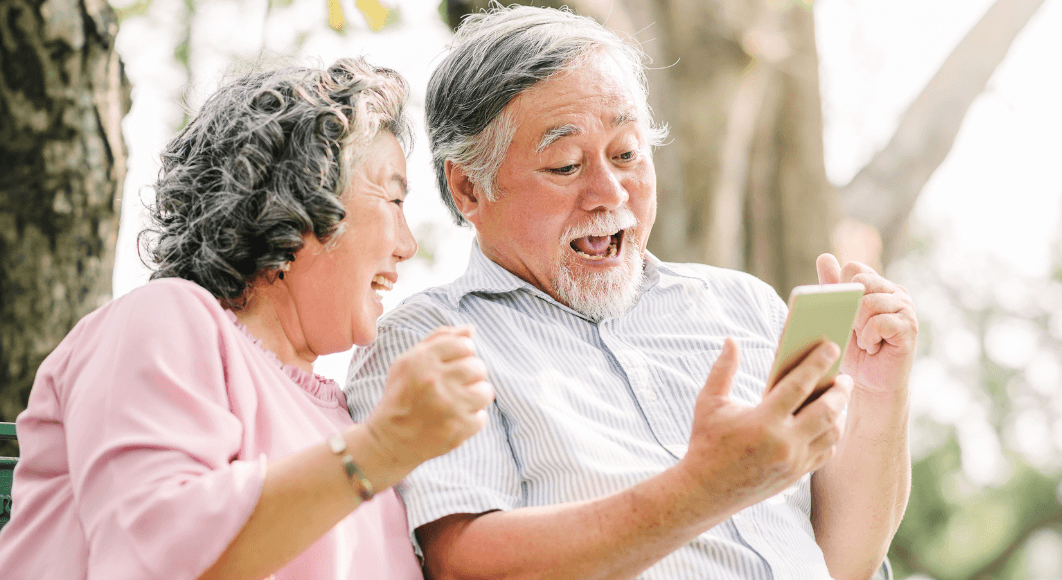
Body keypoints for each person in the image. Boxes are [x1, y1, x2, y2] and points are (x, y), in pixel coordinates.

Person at [347, 6, 916, 580]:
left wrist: (878, 395)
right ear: (469, 187)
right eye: (566, 165)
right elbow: (465, 564)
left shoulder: (746, 306)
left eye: (627, 153)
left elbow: (843, 563)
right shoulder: (423, 345)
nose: (609, 191)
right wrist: (702, 489)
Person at [0, 58, 493, 580]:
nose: (407, 245)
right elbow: (156, 557)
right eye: (392, 198)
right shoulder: (164, 318)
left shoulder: (346, 420)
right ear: (302, 193)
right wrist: (384, 448)